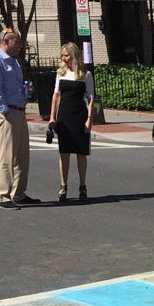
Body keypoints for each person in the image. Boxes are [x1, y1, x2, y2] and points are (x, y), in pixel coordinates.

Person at [0, 28, 37, 208]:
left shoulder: (14, 62)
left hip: (19, 110)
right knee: (7, 155)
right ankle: (3, 195)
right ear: (5, 42)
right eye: (18, 41)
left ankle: (18, 192)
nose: (21, 45)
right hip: (7, 112)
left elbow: (14, 88)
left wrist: (26, 91)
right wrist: (6, 111)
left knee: (22, 155)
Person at [47, 42, 94, 203]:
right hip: (64, 116)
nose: (63, 58)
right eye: (62, 55)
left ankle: (82, 186)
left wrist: (89, 119)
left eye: (66, 55)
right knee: (64, 152)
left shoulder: (85, 74)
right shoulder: (61, 73)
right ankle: (63, 186)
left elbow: (90, 97)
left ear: (74, 55)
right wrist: (52, 116)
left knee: (81, 152)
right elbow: (56, 95)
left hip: (79, 115)